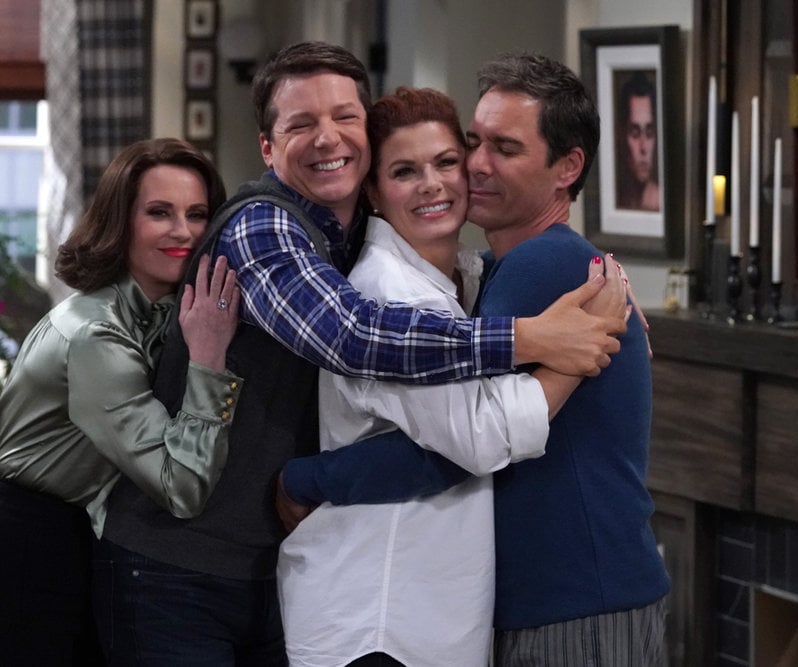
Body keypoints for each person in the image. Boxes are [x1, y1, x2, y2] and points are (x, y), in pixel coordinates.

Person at [96, 42, 627, 665]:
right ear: (268, 147)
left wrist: (594, 272)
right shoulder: (265, 226)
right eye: (302, 123)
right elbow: (352, 336)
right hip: (179, 566)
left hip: (267, 567)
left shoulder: (351, 245)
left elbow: (457, 278)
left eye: (345, 116)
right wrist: (537, 339)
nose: (328, 137)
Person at [279, 52, 670, 667]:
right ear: (375, 192)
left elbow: (458, 447)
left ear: (568, 167)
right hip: (567, 595)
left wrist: (308, 479)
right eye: (475, 143)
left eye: (504, 149)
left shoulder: (539, 266)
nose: (478, 165)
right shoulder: (497, 273)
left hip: (573, 596)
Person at [0, 138, 243, 666]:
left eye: (197, 214)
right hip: (20, 547)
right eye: (159, 213)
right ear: (120, 223)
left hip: (67, 539)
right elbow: (182, 485)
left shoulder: (161, 314)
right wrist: (210, 360)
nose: (184, 231)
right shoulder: (96, 335)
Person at [616, 70, 661, 211]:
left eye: (649, 133)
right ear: (622, 135)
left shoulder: (661, 200)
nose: (643, 148)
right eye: (635, 133)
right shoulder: (616, 197)